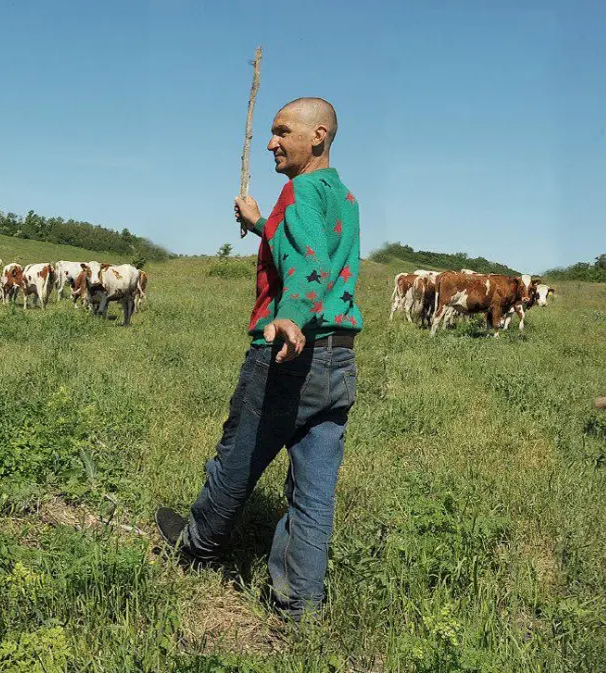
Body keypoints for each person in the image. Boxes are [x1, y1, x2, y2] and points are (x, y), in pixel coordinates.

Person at [155, 97, 362, 620]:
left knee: (239, 455)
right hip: (339, 361)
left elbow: (308, 266)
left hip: (292, 353)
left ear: (317, 136)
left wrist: (290, 315)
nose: (271, 142)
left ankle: (199, 545)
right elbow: (308, 249)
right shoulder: (344, 196)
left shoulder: (296, 191)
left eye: (281, 131)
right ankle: (301, 610)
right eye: (269, 132)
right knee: (314, 491)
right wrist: (259, 224)